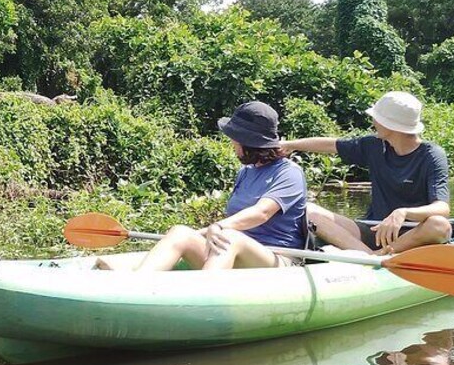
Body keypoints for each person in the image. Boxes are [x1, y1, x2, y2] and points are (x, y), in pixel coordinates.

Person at [102, 101, 308, 271]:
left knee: (229, 237)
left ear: (250, 143)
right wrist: (196, 234)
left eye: (235, 140)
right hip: (233, 253)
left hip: (278, 260)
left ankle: (202, 298)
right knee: (181, 231)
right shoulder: (246, 172)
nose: (232, 145)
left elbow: (261, 213)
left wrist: (219, 226)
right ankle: (137, 286)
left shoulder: (289, 173)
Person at [281, 91, 451, 255]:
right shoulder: (374, 146)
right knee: (309, 210)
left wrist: (403, 212)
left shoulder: (432, 155)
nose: (373, 122)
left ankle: (382, 254)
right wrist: (290, 144)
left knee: (439, 225)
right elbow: (330, 145)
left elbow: (442, 208)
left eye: (377, 118)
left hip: (414, 234)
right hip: (373, 230)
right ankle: (369, 255)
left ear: (391, 125)